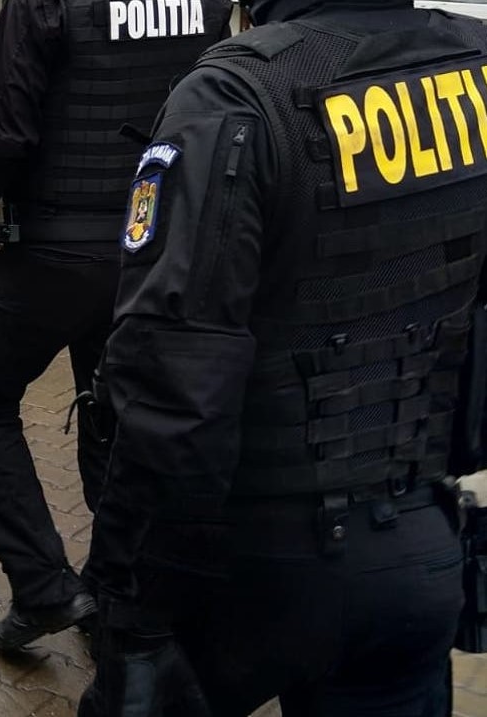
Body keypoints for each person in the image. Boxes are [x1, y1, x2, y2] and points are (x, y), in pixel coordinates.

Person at [79, 0, 487, 714]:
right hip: (418, 549)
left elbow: (174, 386)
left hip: (255, 563)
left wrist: (132, 611)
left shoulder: (235, 95)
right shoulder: (475, 66)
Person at [0, 0, 231, 652]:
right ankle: (115, 598)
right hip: (154, 246)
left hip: (57, 249)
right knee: (113, 411)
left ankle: (44, 586)